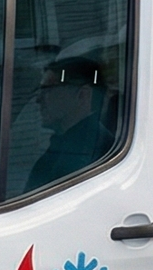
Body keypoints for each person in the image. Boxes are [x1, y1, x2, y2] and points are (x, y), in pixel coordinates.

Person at [24, 55, 118, 193]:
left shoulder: (91, 151)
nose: (38, 99)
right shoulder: (65, 145)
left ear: (82, 95)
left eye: (47, 90)